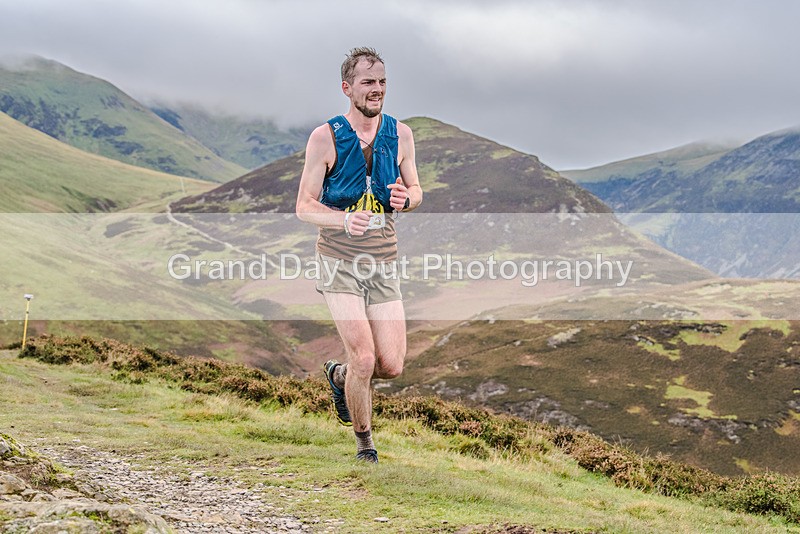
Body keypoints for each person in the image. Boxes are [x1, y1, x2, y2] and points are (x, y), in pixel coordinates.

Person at [295, 47, 422, 463]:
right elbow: (304, 206)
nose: (377, 90)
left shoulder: (400, 134)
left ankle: (341, 376)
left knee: (391, 364)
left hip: (382, 261)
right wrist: (341, 221)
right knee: (364, 356)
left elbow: (417, 191)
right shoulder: (325, 137)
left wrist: (407, 199)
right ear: (347, 87)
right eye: (368, 82)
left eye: (382, 82)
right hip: (338, 260)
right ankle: (365, 445)